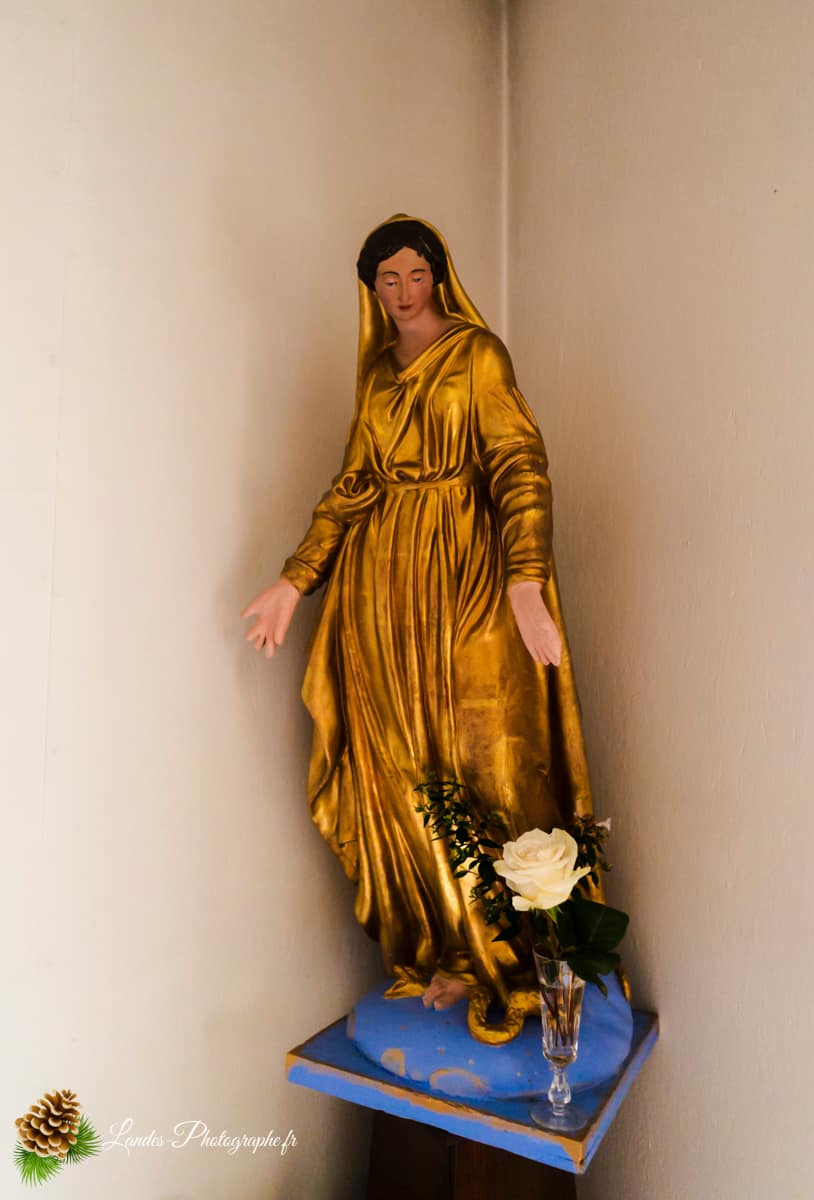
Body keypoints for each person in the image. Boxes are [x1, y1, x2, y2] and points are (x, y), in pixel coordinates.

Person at [242, 215, 595, 1014]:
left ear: (438, 275)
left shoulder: (477, 355)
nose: (402, 292)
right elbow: (355, 484)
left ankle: (520, 954)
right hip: (382, 590)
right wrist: (294, 581)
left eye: (414, 274)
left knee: (491, 759)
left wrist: (525, 582)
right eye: (386, 279)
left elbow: (518, 463)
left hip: (469, 576)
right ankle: (451, 947)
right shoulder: (377, 374)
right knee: (404, 771)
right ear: (370, 289)